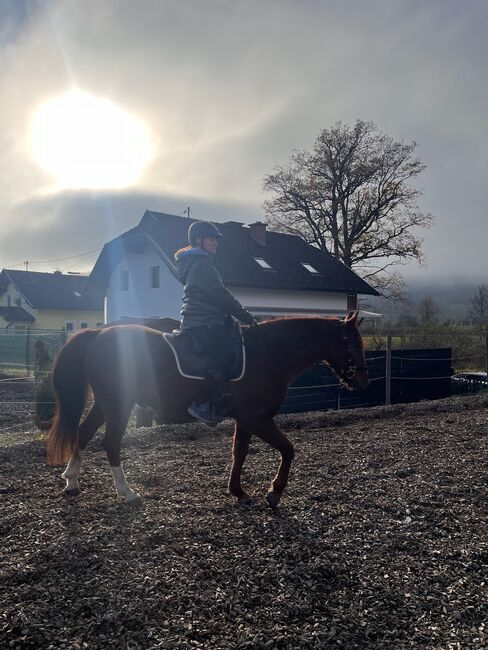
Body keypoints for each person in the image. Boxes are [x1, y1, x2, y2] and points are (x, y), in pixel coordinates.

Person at [175, 221, 257, 426]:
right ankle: (201, 404)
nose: (215, 243)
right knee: (224, 356)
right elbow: (220, 295)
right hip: (205, 321)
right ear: (198, 240)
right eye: (212, 239)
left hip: (200, 319)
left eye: (216, 240)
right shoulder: (202, 264)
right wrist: (246, 316)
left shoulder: (194, 262)